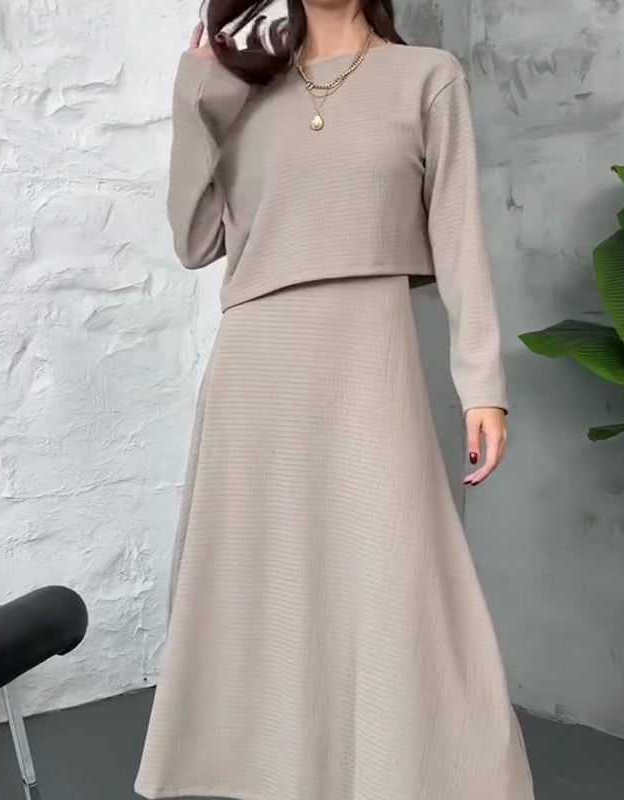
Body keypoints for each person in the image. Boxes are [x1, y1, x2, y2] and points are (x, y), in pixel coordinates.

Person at [134, 0, 535, 797]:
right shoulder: (246, 89)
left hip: (368, 355)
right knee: (261, 579)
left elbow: (459, 236)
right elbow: (194, 239)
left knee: (394, 570)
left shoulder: (427, 77)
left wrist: (482, 385)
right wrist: (194, 95)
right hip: (256, 367)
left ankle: (410, 773)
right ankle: (265, 770)